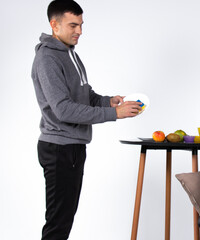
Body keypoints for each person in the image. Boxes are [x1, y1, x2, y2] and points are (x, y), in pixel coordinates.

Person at [31, 1, 142, 239]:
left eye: (81, 25)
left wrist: (108, 101)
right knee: (57, 225)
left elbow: (84, 94)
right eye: (73, 25)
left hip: (72, 147)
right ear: (54, 24)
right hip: (59, 148)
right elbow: (64, 110)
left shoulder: (70, 54)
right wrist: (115, 114)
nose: (79, 31)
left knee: (63, 221)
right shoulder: (48, 58)